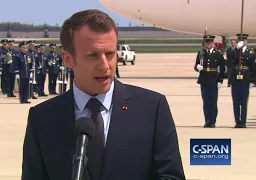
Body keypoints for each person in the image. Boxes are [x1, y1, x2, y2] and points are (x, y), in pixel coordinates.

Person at [21, 9, 185, 180]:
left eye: (110, 54)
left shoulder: (152, 108)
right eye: (92, 55)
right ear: (68, 59)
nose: (105, 65)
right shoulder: (43, 118)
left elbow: (171, 176)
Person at [194, 35, 226, 128]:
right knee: (206, 102)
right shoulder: (201, 53)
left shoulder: (218, 54)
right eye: (207, 42)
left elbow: (222, 69)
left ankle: (213, 121)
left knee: (213, 102)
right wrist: (198, 67)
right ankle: (207, 121)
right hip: (204, 80)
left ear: (212, 43)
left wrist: (220, 80)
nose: (208, 44)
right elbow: (196, 66)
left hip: (214, 79)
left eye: (210, 42)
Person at [231, 34, 255, 128]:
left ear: (246, 42)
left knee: (244, 102)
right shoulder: (235, 51)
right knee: (236, 102)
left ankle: (243, 122)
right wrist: (237, 47)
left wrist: (253, 81)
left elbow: (253, 68)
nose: (243, 42)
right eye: (241, 40)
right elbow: (230, 58)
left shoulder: (250, 53)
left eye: (244, 40)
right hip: (235, 79)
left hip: (245, 79)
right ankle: (238, 121)